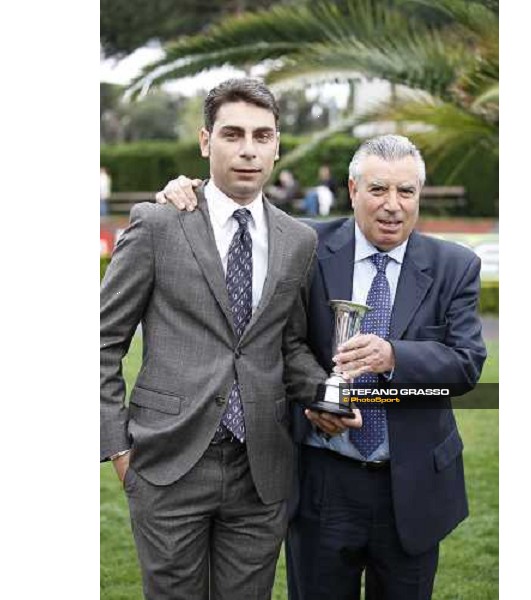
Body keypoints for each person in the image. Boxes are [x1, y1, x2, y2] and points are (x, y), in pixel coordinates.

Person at [157, 134, 487, 600]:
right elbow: (235, 217)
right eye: (377, 190)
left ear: (419, 196)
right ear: (352, 191)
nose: (392, 205)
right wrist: (185, 190)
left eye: (406, 192)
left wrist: (395, 356)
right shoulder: (304, 245)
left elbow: (467, 362)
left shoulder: (455, 265)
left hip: (412, 486)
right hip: (322, 481)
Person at [100, 78, 354, 600]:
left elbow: (287, 345)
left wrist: (327, 393)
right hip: (167, 462)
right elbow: (101, 341)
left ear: (277, 146)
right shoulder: (158, 224)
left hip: (260, 468)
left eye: (262, 136)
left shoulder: (297, 240)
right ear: (204, 141)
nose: (247, 149)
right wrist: (118, 448)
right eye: (232, 134)